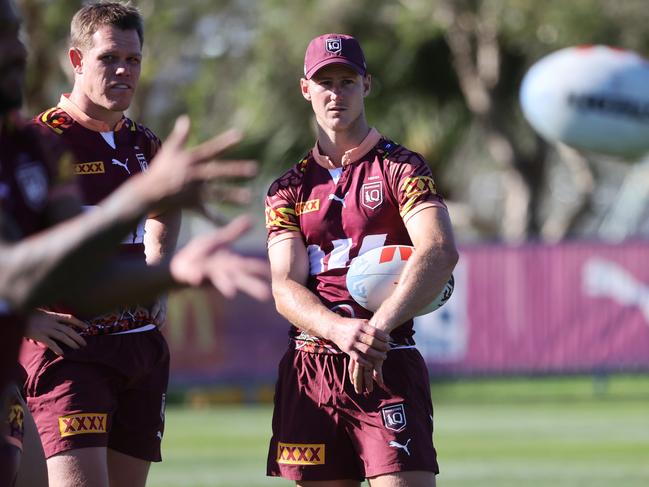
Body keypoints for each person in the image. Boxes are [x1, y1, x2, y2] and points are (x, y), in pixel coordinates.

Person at [0, 0, 269, 485]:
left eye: (133, 59)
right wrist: (28, 316)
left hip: (141, 351)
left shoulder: (145, 144)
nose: (123, 70)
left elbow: (164, 209)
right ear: (77, 60)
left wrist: (160, 272)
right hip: (71, 355)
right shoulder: (39, 143)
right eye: (108, 58)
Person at [264, 33, 458, 486]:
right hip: (312, 366)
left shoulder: (402, 167)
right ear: (305, 89)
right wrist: (340, 331)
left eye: (347, 81)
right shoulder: (286, 188)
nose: (336, 93)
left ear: (367, 85)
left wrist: (375, 331)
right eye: (325, 82)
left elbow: (439, 250)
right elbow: (284, 286)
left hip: (388, 359)